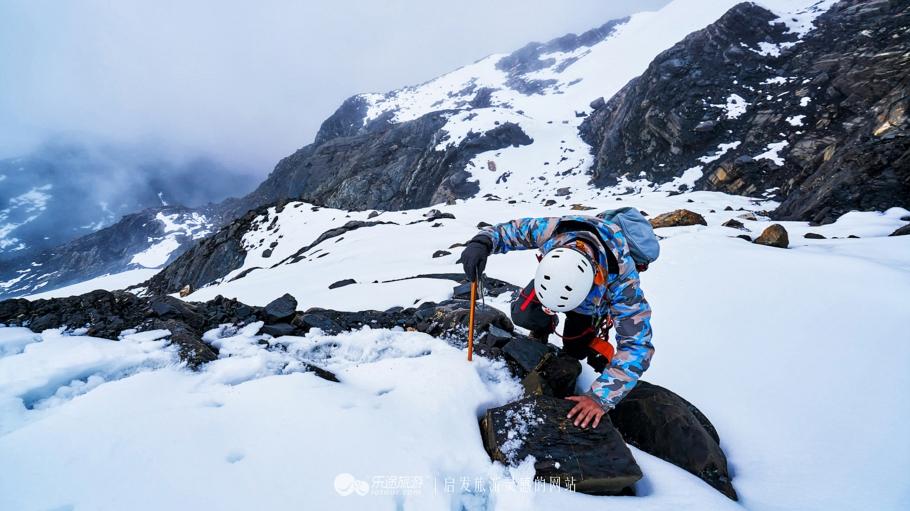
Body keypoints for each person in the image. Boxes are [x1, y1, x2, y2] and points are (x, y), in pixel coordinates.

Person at [458, 214, 654, 429]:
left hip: (589, 307)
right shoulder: (555, 230)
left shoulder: (622, 281)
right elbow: (510, 231)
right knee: (524, 313)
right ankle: (542, 326)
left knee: (575, 349)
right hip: (552, 284)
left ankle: (577, 334)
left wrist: (600, 397)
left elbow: (637, 345)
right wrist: (482, 242)